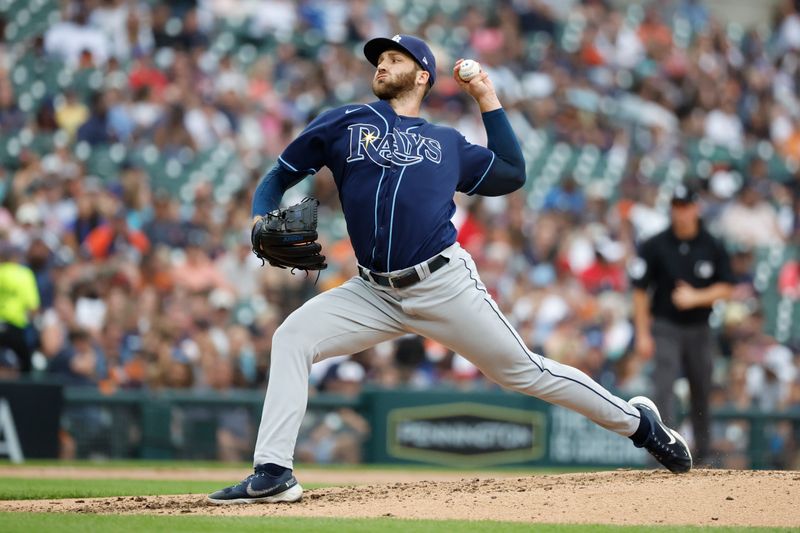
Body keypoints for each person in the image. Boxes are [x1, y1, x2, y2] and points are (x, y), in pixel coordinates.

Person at [208, 34, 692, 505]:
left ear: (422, 76)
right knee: (291, 338)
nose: (381, 64)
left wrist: (486, 97)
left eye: (394, 58)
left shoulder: (447, 143)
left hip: (442, 283)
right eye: (378, 58)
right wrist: (259, 215)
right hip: (371, 292)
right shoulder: (345, 123)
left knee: (525, 373)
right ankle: (273, 472)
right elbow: (278, 175)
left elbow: (512, 172)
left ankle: (640, 425)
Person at [630, 183, 734, 465]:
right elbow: (640, 290)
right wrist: (642, 334)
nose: (681, 213)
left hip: (700, 328)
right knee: (663, 388)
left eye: (686, 207)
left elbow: (727, 287)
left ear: (696, 208)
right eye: (676, 207)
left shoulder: (712, 244)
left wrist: (696, 296)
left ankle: (704, 454)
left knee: (701, 388)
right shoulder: (655, 244)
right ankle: (663, 452)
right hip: (666, 326)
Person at [0, 243, 41, 373]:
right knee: (26, 365)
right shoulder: (24, 274)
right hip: (15, 325)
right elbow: (33, 306)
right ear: (15, 258)